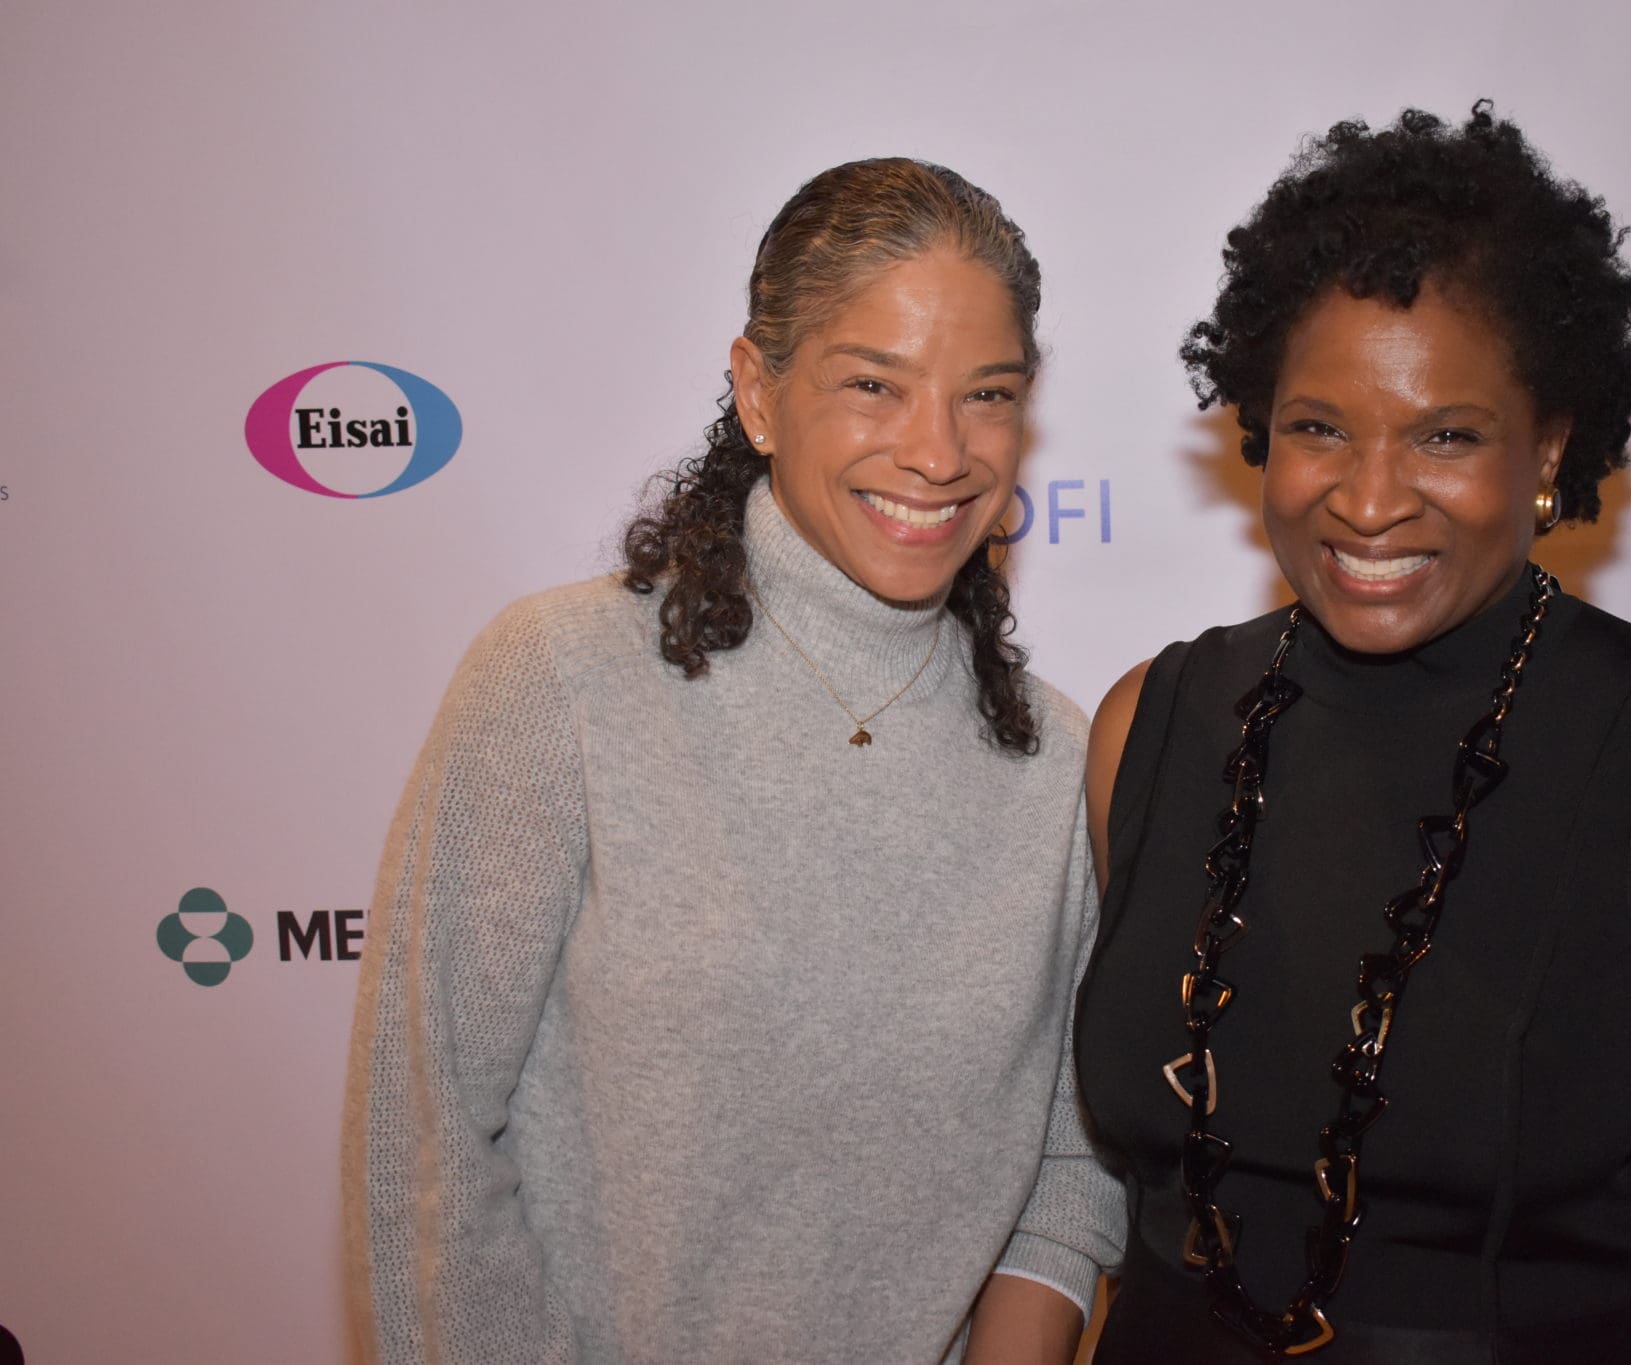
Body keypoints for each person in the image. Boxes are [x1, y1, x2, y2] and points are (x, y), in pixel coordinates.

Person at [1075, 105, 1631, 1363]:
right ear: (1260, 431)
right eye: (1319, 425)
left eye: (1445, 434)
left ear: (1547, 446)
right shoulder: (1146, 727)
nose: (1370, 499)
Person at [342, 158, 1122, 1365]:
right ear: (759, 394)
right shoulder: (560, 679)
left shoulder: (1055, 759)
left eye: (987, 395)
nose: (937, 451)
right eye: (874, 383)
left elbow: (1073, 1166)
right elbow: (432, 1143)